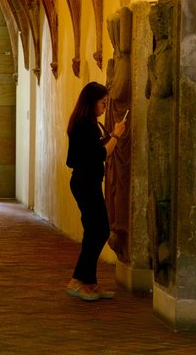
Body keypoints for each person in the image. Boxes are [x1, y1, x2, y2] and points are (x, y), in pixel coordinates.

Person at [65, 82, 127, 301]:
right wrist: (117, 136)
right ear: (92, 102)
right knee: (99, 230)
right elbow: (100, 155)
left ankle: (89, 282)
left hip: (85, 181)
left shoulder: (85, 123)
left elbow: (88, 151)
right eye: (103, 102)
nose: (104, 106)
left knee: (94, 230)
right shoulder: (85, 124)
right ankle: (77, 280)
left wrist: (104, 138)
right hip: (85, 182)